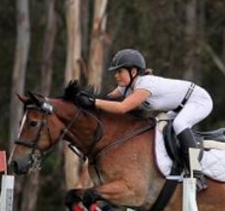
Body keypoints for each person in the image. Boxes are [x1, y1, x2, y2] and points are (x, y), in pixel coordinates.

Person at [75, 48, 213, 190]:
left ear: (133, 72)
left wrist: (93, 102)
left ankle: (197, 174)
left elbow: (122, 108)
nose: (116, 76)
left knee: (179, 124)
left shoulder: (145, 85)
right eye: (115, 72)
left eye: (119, 71)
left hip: (198, 100)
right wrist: (85, 101)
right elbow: (107, 99)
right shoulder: (126, 87)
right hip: (180, 107)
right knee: (159, 127)